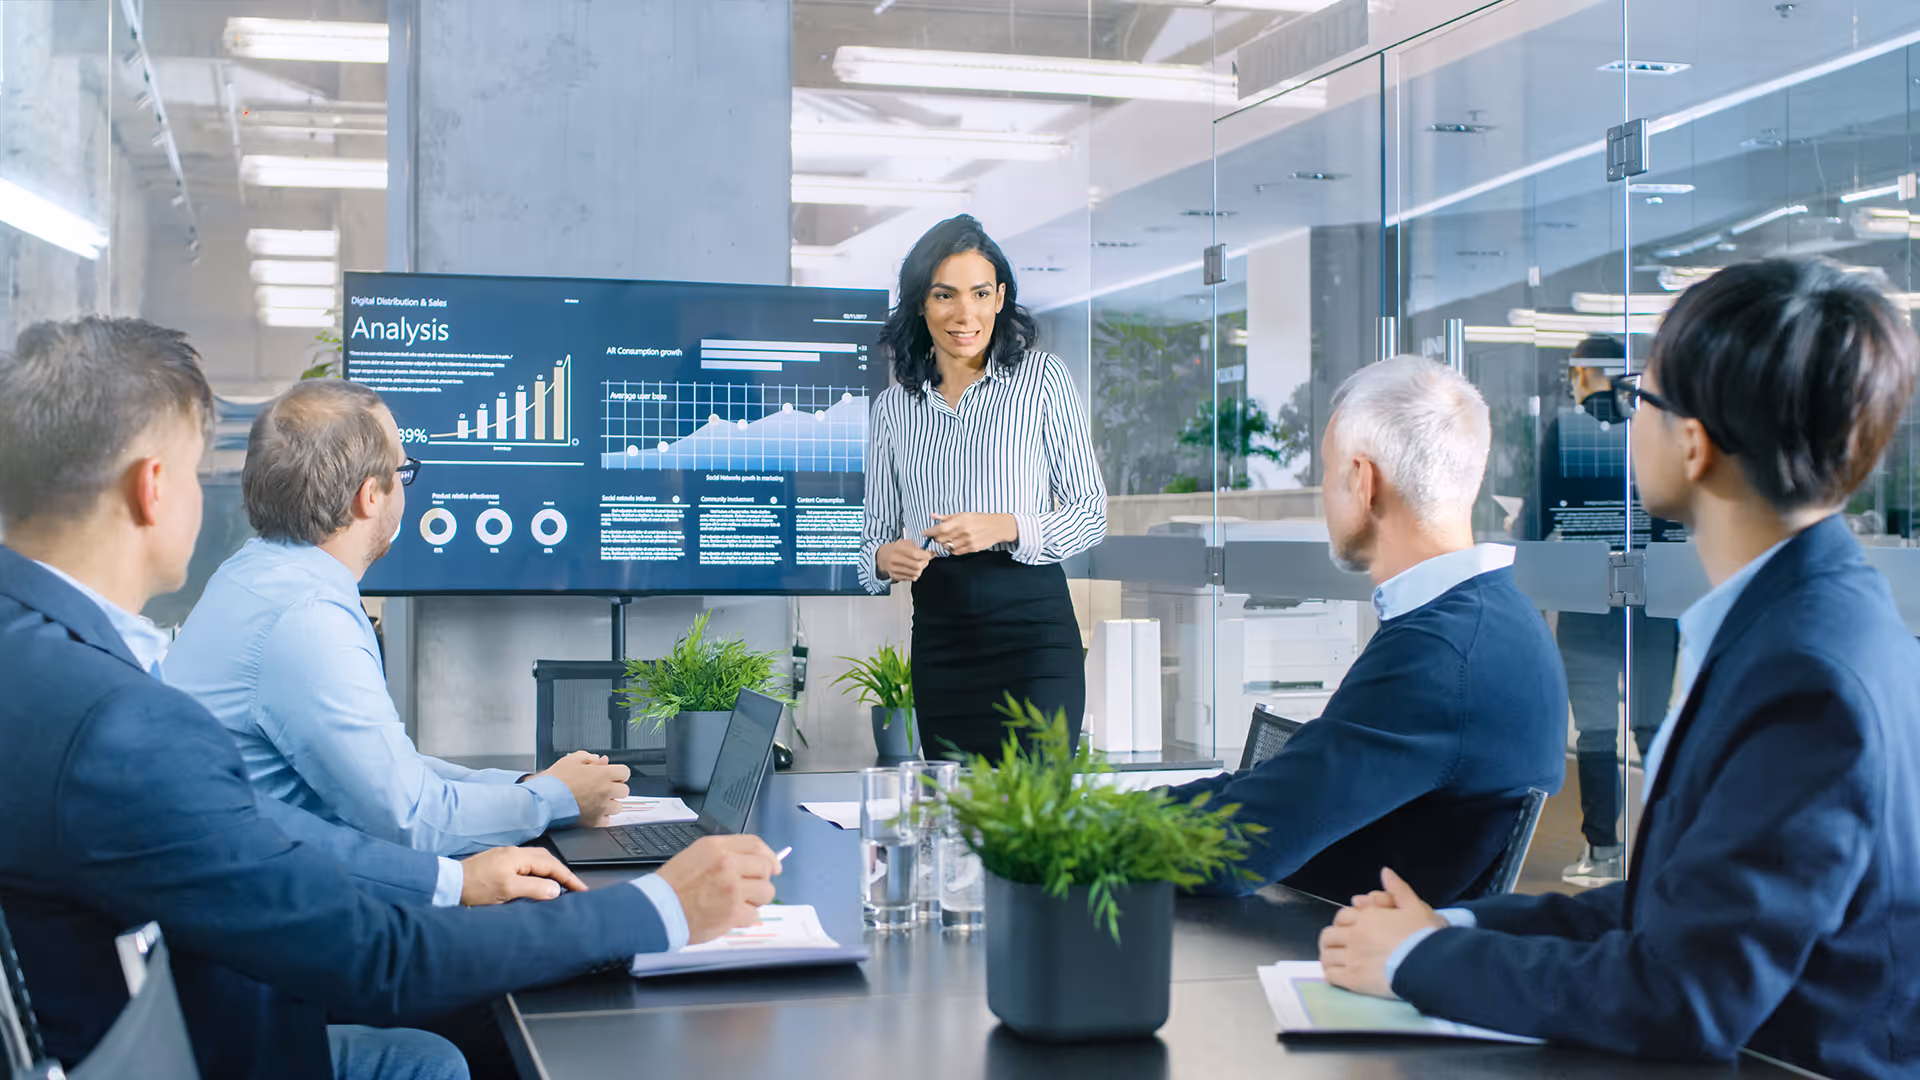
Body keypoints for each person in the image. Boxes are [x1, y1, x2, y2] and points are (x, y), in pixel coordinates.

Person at [0, 317, 782, 1080]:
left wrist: (468, 861)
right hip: (229, 1030)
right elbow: (381, 956)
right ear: (154, 488)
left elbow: (267, 822)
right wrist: (660, 907)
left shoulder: (44, 656)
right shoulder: (121, 722)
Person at [1320, 259, 1920, 1080]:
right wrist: (1450, 930)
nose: (1624, 420)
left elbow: (1681, 995)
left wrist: (1413, 961)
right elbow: (1685, 906)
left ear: (1694, 444)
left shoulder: (1807, 677)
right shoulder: (1803, 619)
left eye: (1642, 398)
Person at [164, 379, 629, 856]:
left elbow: (388, 773)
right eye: (403, 471)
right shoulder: (308, 620)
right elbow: (413, 819)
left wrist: (528, 784)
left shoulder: (253, 575)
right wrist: (558, 800)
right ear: (370, 495)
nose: (405, 486)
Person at [1167, 356, 1566, 907]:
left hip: (1326, 938)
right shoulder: (1493, 616)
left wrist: (1069, 830)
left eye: (1328, 472)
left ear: (1362, 480)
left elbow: (1242, 844)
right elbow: (1278, 791)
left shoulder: (1441, 654)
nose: (1324, 493)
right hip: (1346, 917)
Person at [858, 214, 1107, 759]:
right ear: (920, 304)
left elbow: (1091, 513)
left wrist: (1008, 526)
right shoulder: (893, 409)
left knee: (1035, 806)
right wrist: (884, 558)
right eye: (944, 294)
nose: (964, 314)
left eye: (979, 293)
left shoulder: (1043, 380)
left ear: (1000, 299)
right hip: (941, 641)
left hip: (1033, 638)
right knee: (954, 805)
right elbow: (872, 537)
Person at [1515, 334, 1681, 886]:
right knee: (1652, 725)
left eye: (1574, 370)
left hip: (1588, 601)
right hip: (1654, 600)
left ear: (1586, 373)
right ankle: (1670, 848)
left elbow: (1537, 520)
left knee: (1595, 732)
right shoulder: (1654, 429)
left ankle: (1603, 852)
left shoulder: (1567, 430)